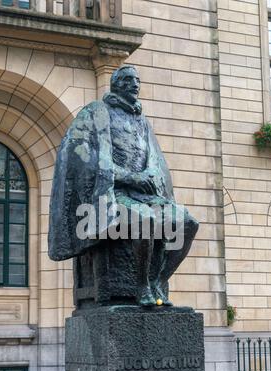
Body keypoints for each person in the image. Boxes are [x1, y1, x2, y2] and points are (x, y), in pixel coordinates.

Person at [48, 65, 198, 306]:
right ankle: (141, 289)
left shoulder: (142, 120)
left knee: (188, 223)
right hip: (110, 195)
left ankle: (156, 281)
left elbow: (156, 160)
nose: (134, 84)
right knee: (145, 220)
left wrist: (152, 173)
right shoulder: (95, 113)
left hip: (144, 196)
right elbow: (81, 158)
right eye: (128, 79)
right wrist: (129, 177)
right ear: (115, 84)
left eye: (137, 80)